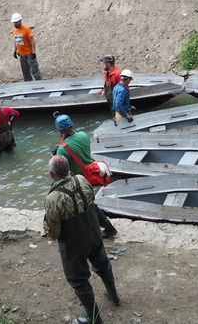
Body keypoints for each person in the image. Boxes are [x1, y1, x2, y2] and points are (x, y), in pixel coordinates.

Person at [43, 155, 120, 324]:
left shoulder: (53, 198)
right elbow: (92, 204)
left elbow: (53, 232)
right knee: (103, 264)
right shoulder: (81, 180)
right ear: (68, 169)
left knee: (79, 281)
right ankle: (114, 296)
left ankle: (95, 319)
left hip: (73, 244)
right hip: (94, 233)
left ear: (51, 174)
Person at [53, 113, 118, 238]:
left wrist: (57, 154)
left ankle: (108, 228)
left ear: (60, 130)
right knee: (87, 203)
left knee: (88, 205)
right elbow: (80, 150)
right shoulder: (83, 135)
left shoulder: (62, 149)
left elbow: (61, 169)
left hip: (79, 180)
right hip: (90, 174)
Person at [11, 12, 43, 81]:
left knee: (34, 70)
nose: (15, 24)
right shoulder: (15, 30)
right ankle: (28, 86)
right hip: (21, 54)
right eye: (13, 22)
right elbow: (16, 40)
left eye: (16, 22)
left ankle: (41, 83)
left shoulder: (26, 29)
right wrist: (15, 50)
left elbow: (32, 41)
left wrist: (33, 52)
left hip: (29, 54)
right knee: (25, 73)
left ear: (20, 21)